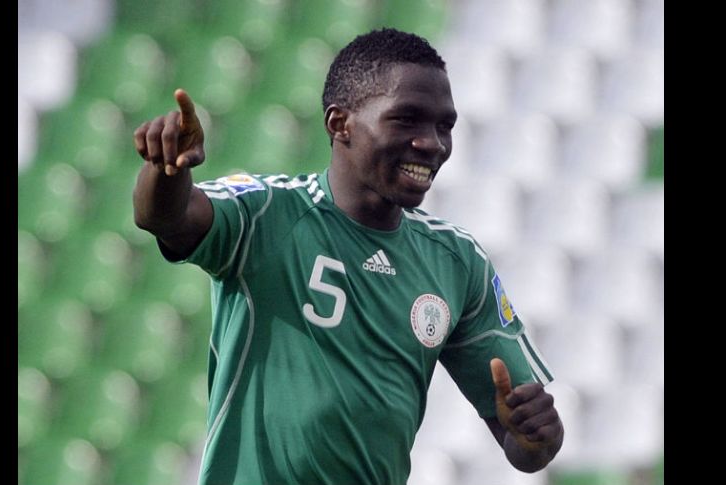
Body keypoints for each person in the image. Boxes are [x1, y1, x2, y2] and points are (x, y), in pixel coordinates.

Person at [133, 28, 564, 485]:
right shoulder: (267, 213)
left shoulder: (457, 261)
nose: (433, 143)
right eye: (407, 120)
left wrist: (538, 436)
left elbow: (522, 445)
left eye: (444, 126)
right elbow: (167, 216)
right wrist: (165, 172)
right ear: (340, 123)